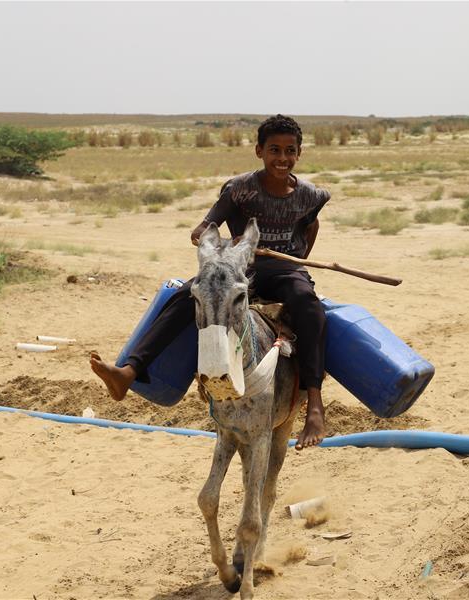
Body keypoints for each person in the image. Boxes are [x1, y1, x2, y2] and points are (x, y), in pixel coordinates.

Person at [90, 114, 330, 450]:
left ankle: (314, 406)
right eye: (274, 150)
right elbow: (203, 230)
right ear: (259, 150)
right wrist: (221, 241)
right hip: (240, 268)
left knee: (310, 306)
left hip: (286, 271)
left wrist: (299, 258)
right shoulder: (240, 189)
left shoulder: (309, 194)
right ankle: (128, 372)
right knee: (189, 293)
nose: (282, 158)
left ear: (299, 154)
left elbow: (311, 226)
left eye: (290, 151)